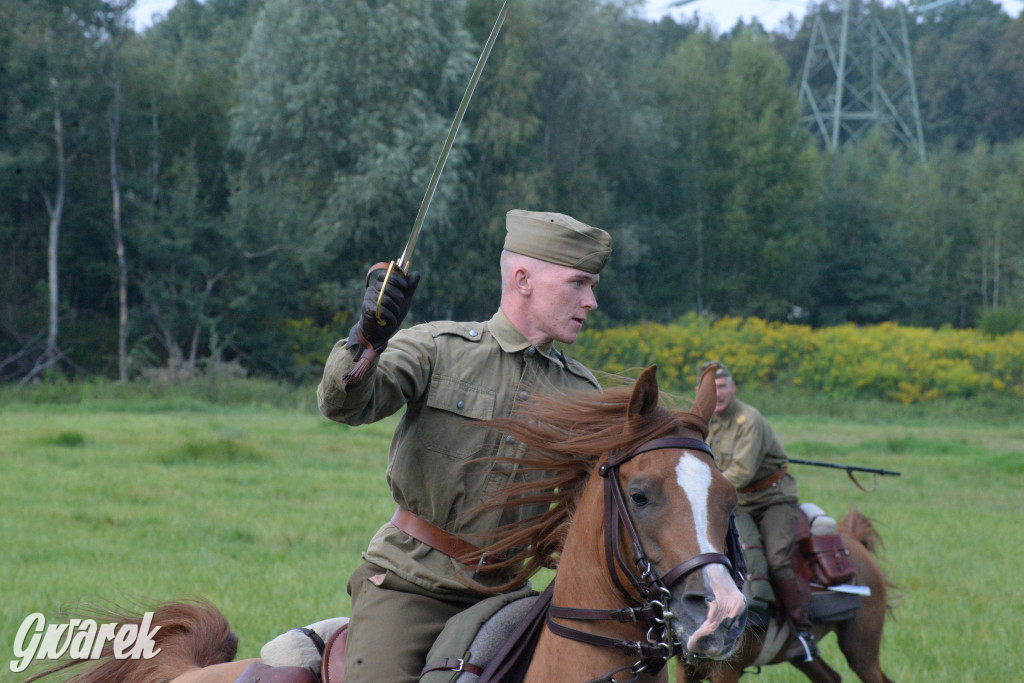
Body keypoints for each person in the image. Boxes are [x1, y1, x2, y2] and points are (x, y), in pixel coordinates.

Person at [318, 209, 612, 683]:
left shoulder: (584, 395)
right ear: (523, 279)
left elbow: (608, 506)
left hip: (510, 597)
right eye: (578, 283)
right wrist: (366, 338)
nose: (592, 300)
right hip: (409, 585)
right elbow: (346, 406)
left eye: (593, 285)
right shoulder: (439, 349)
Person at [698, 360, 819, 663]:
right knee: (731, 553)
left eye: (722, 386)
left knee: (777, 560)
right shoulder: (706, 421)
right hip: (740, 502)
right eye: (711, 389)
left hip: (773, 499)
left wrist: (708, 493)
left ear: (733, 387)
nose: (719, 393)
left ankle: (802, 633)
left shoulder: (749, 420)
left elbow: (742, 471)